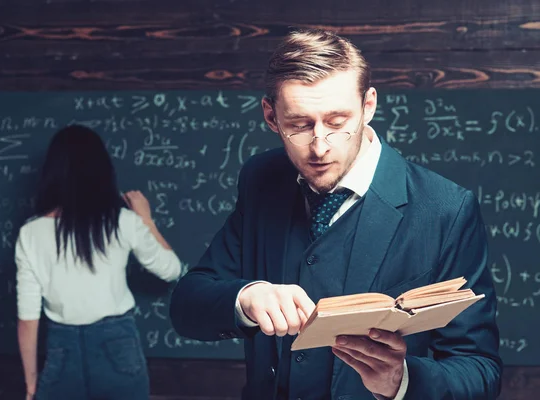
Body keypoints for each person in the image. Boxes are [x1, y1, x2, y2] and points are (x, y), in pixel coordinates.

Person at [170, 29, 501, 399]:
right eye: (299, 125)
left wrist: (400, 381)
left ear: (368, 106)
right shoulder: (261, 178)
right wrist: (245, 297)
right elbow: (187, 304)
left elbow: (480, 371)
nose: (319, 147)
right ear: (270, 116)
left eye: (337, 122)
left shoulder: (446, 209)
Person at [15, 125, 181, 400]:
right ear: (101, 170)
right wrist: (146, 219)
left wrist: (31, 385)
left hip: (61, 349)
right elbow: (171, 270)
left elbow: (28, 319)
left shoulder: (31, 233)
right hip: (118, 345)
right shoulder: (123, 222)